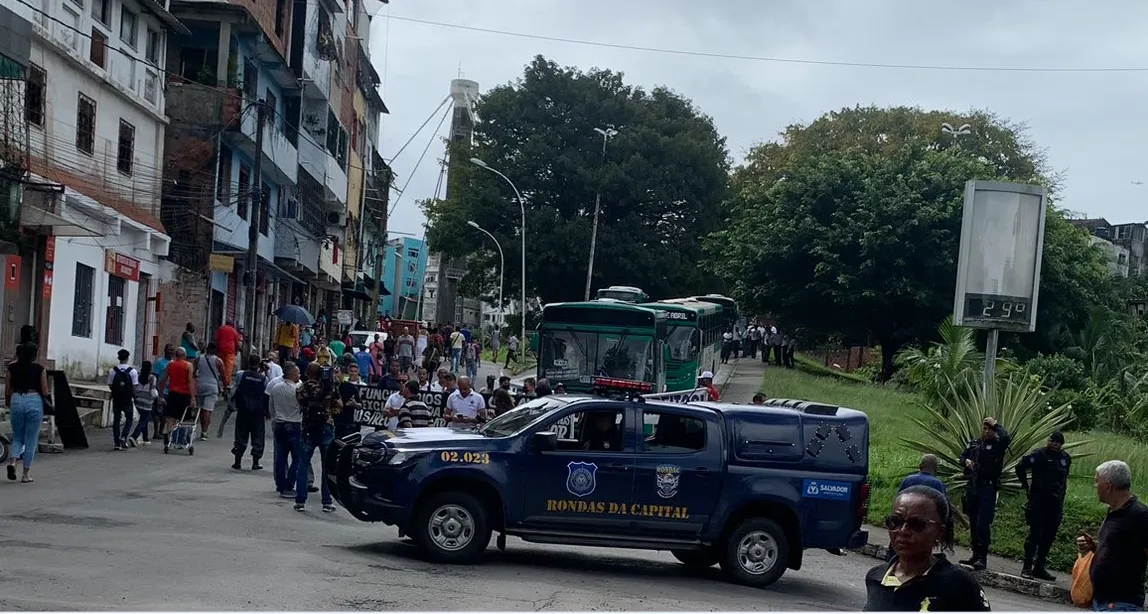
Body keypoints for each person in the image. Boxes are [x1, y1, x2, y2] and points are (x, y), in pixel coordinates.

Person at [863, 485, 990, 611]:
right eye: (895, 521)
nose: (903, 531)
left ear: (939, 532)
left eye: (917, 524)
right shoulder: (876, 578)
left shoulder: (958, 584)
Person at [1078, 460, 1148, 612]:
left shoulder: (1140, 515)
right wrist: (1095, 547)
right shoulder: (1114, 511)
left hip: (1122, 604)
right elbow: (1121, 549)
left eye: (1097, 482)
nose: (1095, 486)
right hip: (1102, 601)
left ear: (1108, 486)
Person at [958, 417, 1012, 570]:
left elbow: (1006, 438)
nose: (987, 431)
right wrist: (966, 461)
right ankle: (975, 554)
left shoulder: (997, 445)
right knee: (974, 522)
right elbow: (962, 456)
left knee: (983, 523)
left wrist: (997, 425)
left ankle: (982, 557)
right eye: (985, 428)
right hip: (973, 485)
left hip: (988, 487)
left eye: (990, 429)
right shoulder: (975, 443)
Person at [1016, 431, 1071, 581]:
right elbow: (1020, 467)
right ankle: (1027, 567)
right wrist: (1025, 486)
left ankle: (1039, 567)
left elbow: (1064, 480)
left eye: (1058, 443)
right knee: (1034, 535)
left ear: (1062, 445)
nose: (1054, 444)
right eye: (1052, 441)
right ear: (1048, 441)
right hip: (1039, 501)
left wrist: (1061, 498)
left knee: (1049, 536)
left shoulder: (1065, 459)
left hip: (1055, 504)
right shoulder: (1039, 455)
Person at [295, 362, 339, 513]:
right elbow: (339, 404)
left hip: (308, 427)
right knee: (327, 465)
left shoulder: (302, 388)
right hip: (326, 426)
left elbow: (301, 402)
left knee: (303, 463)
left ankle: (300, 500)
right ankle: (327, 501)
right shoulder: (329, 387)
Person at [6, 343, 49, 483]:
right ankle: (25, 474)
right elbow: (44, 390)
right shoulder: (40, 369)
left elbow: (7, 389)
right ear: (34, 354)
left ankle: (12, 462)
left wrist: (9, 403)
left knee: (18, 437)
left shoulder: (12, 368)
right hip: (34, 401)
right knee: (31, 439)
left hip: (17, 400)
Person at [267, 363, 303, 498]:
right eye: (298, 373)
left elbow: (271, 408)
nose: (299, 376)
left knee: (281, 458)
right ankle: (289, 486)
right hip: (294, 425)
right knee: (297, 458)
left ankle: (280, 485)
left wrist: (276, 418)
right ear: (292, 375)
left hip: (279, 424)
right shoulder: (298, 389)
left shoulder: (275, 388)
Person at [231, 356, 269, 471]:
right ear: (259, 365)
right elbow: (266, 394)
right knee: (257, 436)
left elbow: (236, 388)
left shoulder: (241, 375)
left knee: (240, 435)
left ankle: (237, 461)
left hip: (243, 410)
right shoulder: (263, 379)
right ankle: (255, 462)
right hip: (257, 412)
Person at [157, 347, 197, 452]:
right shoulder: (188, 365)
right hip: (184, 395)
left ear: (175, 355)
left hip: (173, 394)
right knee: (184, 419)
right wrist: (193, 398)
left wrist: (161, 395)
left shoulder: (171, 365)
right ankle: (180, 440)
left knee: (171, 418)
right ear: (184, 355)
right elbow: (190, 382)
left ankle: (171, 437)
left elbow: (162, 381)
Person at [107, 349, 139, 451]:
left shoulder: (113, 371)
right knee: (129, 418)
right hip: (127, 399)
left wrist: (116, 391)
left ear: (118, 358)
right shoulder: (132, 371)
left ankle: (116, 442)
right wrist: (133, 396)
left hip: (116, 398)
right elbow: (134, 387)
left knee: (116, 419)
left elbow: (110, 385)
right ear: (128, 358)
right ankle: (124, 437)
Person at [193, 342, 224, 441]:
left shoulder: (198, 359)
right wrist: (225, 387)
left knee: (201, 410)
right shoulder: (218, 361)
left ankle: (202, 428)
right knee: (208, 410)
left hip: (200, 386)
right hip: (212, 387)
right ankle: (204, 432)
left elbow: (193, 372)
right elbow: (223, 375)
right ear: (215, 350)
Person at [128, 360, 158, 447]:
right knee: (143, 421)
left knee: (144, 419)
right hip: (147, 401)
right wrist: (158, 397)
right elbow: (153, 391)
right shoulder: (152, 378)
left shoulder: (138, 376)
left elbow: (135, 389)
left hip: (138, 401)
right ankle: (134, 436)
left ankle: (145, 438)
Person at [152, 344, 174, 440]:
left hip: (170, 391)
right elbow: (155, 377)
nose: (171, 352)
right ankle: (156, 432)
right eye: (169, 350)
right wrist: (156, 390)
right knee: (158, 412)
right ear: (165, 350)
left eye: (172, 350)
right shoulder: (159, 363)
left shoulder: (174, 363)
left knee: (166, 413)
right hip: (161, 391)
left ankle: (161, 431)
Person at [335, 363, 363, 438]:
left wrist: (354, 404)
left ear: (343, 374)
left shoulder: (351, 387)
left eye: (337, 372)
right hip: (332, 424)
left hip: (347, 424)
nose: (334, 375)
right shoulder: (328, 388)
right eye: (333, 373)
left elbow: (360, 405)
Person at [215, 319, 241, 390]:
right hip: (230, 350)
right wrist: (236, 351)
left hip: (221, 349)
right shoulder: (234, 331)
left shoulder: (221, 329)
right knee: (228, 367)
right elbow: (237, 343)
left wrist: (217, 348)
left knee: (221, 365)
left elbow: (216, 339)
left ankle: (219, 379)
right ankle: (226, 382)